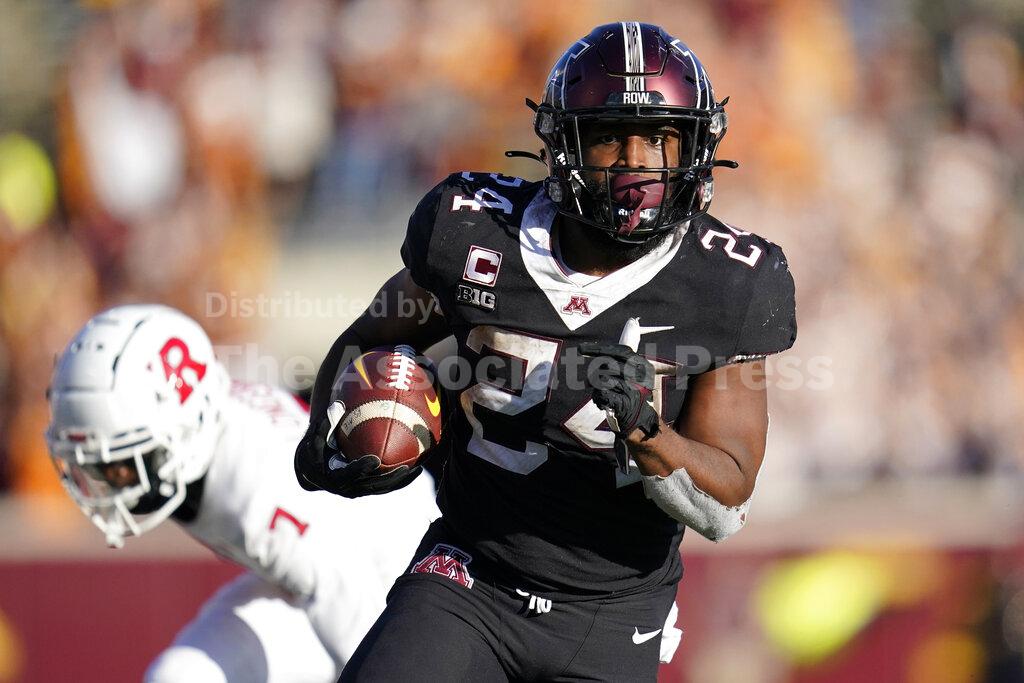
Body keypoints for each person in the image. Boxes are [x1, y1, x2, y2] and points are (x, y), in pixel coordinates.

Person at [295, 22, 795, 681]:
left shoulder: (730, 281)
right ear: (565, 145)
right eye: (611, 135)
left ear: (694, 146)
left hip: (612, 612)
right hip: (471, 574)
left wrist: (648, 433)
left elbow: (725, 501)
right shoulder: (476, 232)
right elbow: (370, 338)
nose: (637, 163)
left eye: (660, 137)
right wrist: (326, 444)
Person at [45, 304, 440, 682]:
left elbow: (349, 600)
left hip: (388, 574)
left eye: (123, 462)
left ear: (183, 431)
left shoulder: (253, 486)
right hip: (325, 571)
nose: (113, 479)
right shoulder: (209, 424)